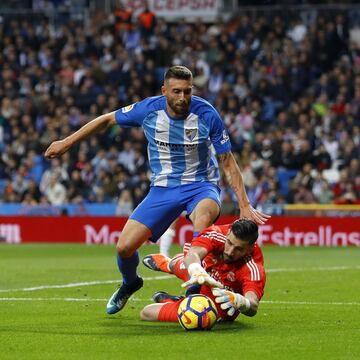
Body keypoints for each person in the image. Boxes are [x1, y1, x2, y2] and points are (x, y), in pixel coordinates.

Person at [44, 65, 269, 315]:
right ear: (164, 91)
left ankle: (192, 296)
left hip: (202, 185)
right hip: (163, 189)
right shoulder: (148, 110)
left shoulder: (207, 114)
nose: (183, 97)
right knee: (124, 248)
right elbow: (107, 119)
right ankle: (131, 282)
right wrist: (67, 142)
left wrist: (244, 203)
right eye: (176, 92)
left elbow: (227, 159)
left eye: (187, 91)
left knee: (203, 217)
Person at [141, 218, 266, 322]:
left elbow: (253, 304)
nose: (230, 251)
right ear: (228, 233)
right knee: (187, 265)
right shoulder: (217, 234)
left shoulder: (253, 266)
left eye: (238, 249)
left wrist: (242, 302)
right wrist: (197, 270)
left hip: (219, 298)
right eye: (229, 243)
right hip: (206, 269)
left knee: (198, 318)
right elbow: (193, 254)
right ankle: (170, 264)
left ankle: (182, 302)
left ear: (250, 248)